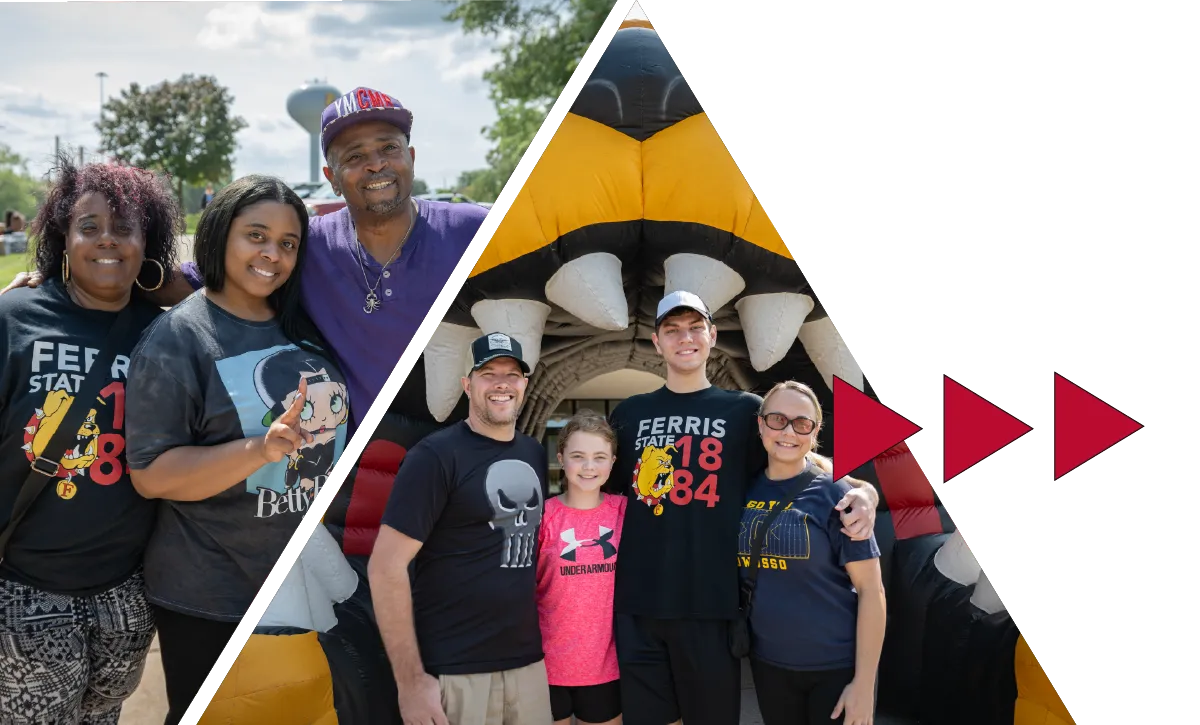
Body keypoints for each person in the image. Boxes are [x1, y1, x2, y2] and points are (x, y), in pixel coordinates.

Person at [2, 86, 490, 432]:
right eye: (355, 155)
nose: (376, 164)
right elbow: (189, 282)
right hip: (352, 467)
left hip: (458, 444)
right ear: (332, 175)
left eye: (389, 148)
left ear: (412, 156)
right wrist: (65, 276)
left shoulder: (476, 228)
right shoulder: (307, 243)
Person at [123, 175, 350, 725]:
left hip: (303, 585)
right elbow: (151, 474)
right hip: (212, 595)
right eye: (256, 235)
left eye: (288, 243)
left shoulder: (302, 328)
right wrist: (259, 449)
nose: (272, 254)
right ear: (222, 235)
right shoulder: (180, 336)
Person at [605, 290, 881, 725]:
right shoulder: (630, 413)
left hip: (712, 607)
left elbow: (797, 460)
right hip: (639, 605)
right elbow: (604, 491)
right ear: (656, 342)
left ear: (712, 335)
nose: (685, 338)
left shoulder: (745, 411)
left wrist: (865, 489)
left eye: (696, 327)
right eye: (672, 330)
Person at [0, 154, 182, 723]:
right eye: (89, 227)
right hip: (26, 587)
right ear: (63, 236)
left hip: (126, 594)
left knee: (102, 716)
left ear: (146, 240)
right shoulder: (16, 315)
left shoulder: (168, 332)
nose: (108, 241)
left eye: (125, 227)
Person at [369, 332, 553, 725]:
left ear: (524, 384)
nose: (502, 383)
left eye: (512, 373)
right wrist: (411, 682)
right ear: (467, 384)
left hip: (528, 667)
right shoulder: (434, 456)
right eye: (489, 373)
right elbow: (385, 567)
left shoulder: (533, 453)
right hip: (455, 671)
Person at [740, 381, 886, 725]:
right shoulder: (743, 487)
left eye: (801, 423)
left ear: (815, 431)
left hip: (834, 668)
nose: (788, 431)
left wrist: (864, 685)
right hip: (769, 665)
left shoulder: (837, 494)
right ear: (760, 424)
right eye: (777, 419)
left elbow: (872, 591)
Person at [536, 411, 626, 725]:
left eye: (599, 457)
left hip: (605, 666)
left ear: (613, 461)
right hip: (546, 666)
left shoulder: (625, 513)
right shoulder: (542, 515)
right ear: (561, 458)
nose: (589, 467)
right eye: (578, 456)